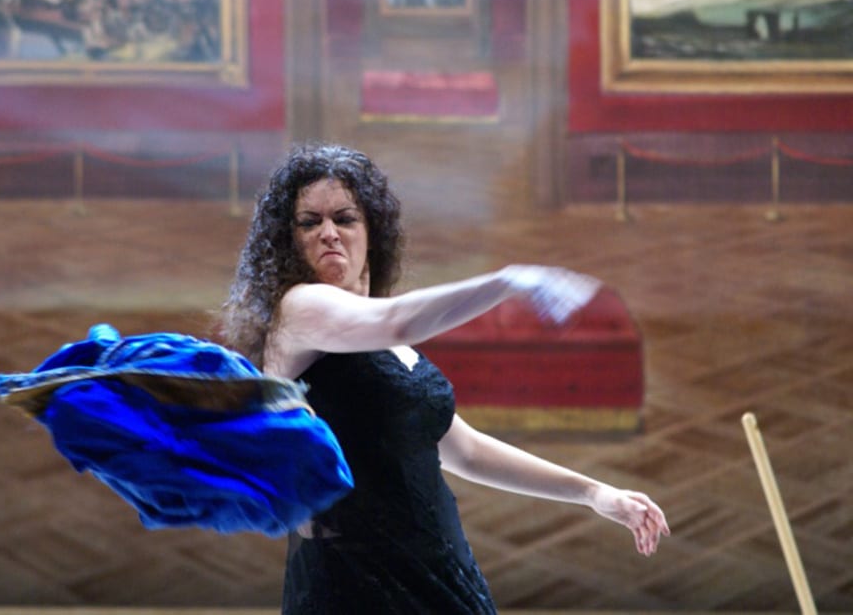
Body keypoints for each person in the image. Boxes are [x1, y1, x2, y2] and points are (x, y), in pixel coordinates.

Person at [221, 143, 669, 614]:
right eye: (309, 222)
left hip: (438, 571)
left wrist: (594, 492)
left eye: (344, 219)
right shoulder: (299, 308)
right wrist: (506, 282)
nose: (328, 233)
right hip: (352, 585)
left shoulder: (388, 345)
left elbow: (466, 451)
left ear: (372, 231)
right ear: (288, 240)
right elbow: (396, 321)